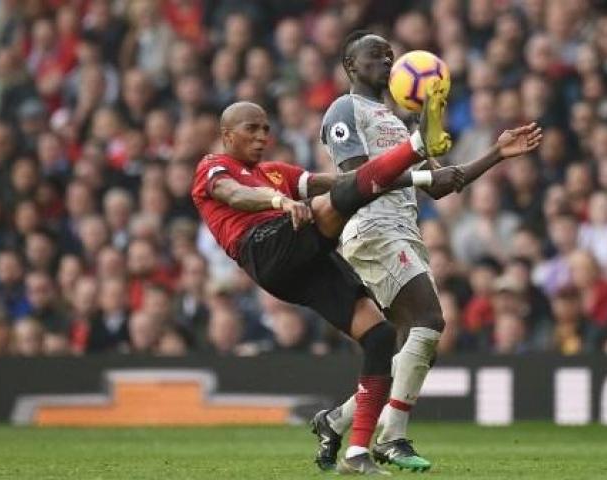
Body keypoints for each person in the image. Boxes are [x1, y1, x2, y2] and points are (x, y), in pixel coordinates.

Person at [191, 87, 457, 475]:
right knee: (336, 203)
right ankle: (417, 142)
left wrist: (420, 180)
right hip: (264, 247)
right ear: (227, 133)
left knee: (380, 336)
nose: (262, 136)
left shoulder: (276, 172)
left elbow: (347, 182)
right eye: (252, 129)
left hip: (305, 263)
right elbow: (234, 194)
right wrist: (278, 201)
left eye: (266, 129)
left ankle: (356, 454)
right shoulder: (214, 166)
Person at [311, 30, 542, 472]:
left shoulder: (400, 122)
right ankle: (391, 436)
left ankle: (336, 422)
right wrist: (419, 173)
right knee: (430, 321)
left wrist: (496, 152)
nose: (385, 58)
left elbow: (442, 185)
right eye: (374, 54)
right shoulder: (345, 110)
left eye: (389, 53)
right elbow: (358, 179)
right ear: (350, 66)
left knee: (416, 342)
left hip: (404, 230)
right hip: (372, 228)